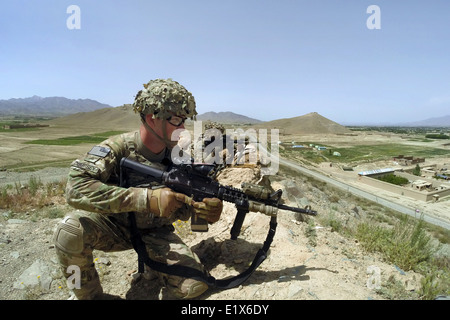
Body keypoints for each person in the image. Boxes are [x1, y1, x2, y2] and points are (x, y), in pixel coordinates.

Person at [53, 79, 223, 300]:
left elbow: (183, 208)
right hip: (114, 226)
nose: (182, 129)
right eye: (176, 120)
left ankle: (156, 268)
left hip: (156, 234)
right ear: (153, 118)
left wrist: (205, 211)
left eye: (184, 121)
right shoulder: (117, 148)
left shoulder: (180, 159)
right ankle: (86, 296)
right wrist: (145, 198)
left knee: (193, 286)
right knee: (69, 231)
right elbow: (75, 188)